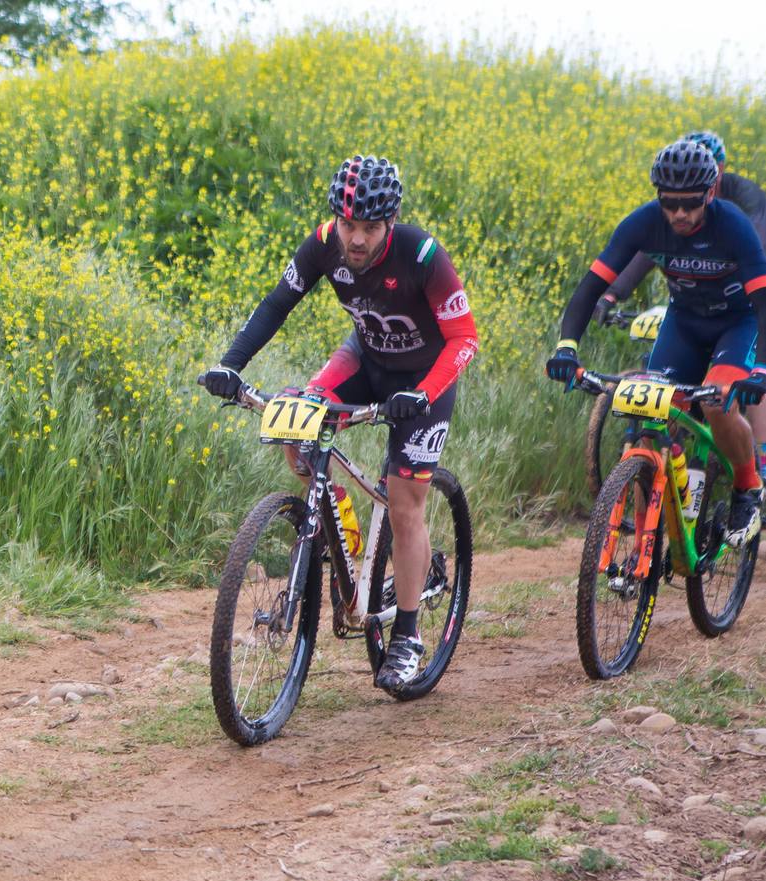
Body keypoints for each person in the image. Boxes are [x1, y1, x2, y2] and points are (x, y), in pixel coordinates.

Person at [201, 155, 480, 694]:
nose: (355, 238)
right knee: (296, 427)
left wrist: (421, 394)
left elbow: (464, 338)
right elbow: (277, 303)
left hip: (423, 380)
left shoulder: (422, 255)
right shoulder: (325, 241)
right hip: (364, 358)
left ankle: (406, 635)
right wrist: (231, 364)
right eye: (348, 224)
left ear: (390, 222)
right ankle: (342, 530)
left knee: (404, 503)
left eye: (369, 228)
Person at [547, 139, 766, 546]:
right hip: (683, 324)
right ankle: (662, 510)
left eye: (689, 203)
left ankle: (747, 488)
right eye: (669, 203)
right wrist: (567, 347)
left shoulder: (733, 226)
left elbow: (762, 302)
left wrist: (761, 369)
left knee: (718, 404)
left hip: (737, 323)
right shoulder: (644, 223)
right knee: (650, 414)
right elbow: (591, 287)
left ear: (710, 193)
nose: (679, 213)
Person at [592, 131, 766, 466]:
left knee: (749, 381)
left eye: (712, 167)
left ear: (721, 168)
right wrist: (613, 292)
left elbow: (755, 244)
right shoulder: (678, 204)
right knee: (661, 400)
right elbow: (649, 251)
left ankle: (760, 457)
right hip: (693, 303)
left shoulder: (741, 194)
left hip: (748, 283)